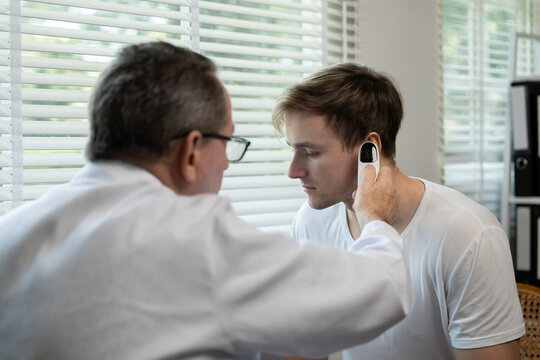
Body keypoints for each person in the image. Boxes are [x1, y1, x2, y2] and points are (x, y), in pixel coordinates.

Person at [0, 42, 412, 360]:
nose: (227, 165)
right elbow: (385, 290)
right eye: (228, 141)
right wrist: (375, 218)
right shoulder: (193, 242)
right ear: (192, 150)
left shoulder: (13, 232)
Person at [272, 63, 525, 360]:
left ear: (370, 149)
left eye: (311, 153)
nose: (293, 171)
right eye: (292, 150)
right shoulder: (311, 221)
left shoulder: (469, 234)